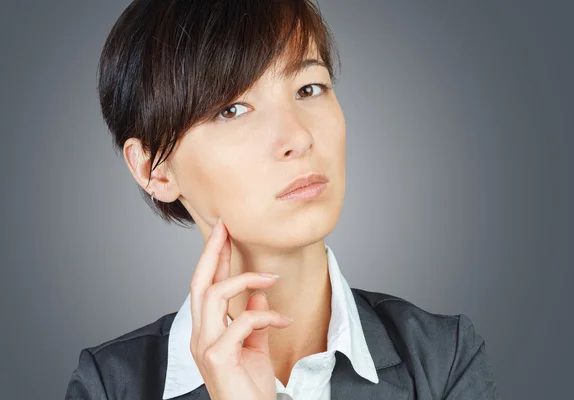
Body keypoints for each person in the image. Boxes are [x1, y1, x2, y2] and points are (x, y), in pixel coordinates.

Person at [65, 0, 501, 399]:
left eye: (309, 88)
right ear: (153, 170)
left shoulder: (443, 359)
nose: (297, 137)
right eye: (231, 109)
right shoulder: (110, 385)